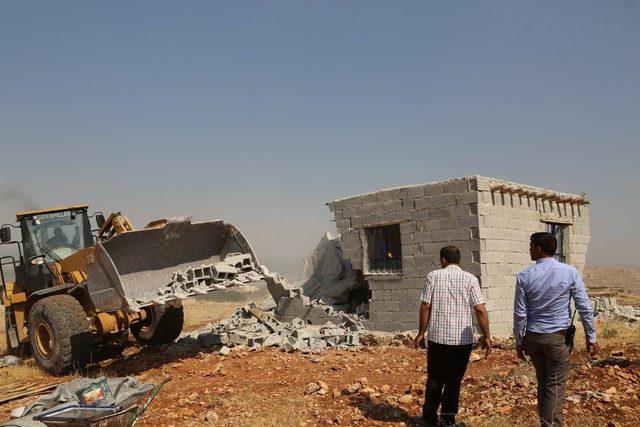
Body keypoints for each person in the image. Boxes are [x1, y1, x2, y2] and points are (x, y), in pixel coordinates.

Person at [514, 232, 599, 427]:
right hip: (556, 339)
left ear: (538, 249)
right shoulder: (569, 272)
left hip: (533, 339)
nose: (529, 249)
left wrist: (519, 341)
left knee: (544, 383)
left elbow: (520, 314)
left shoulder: (524, 276)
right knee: (555, 385)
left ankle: (546, 422)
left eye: (530, 246)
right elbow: (584, 306)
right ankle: (551, 424)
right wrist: (591, 336)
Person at [412, 246, 492, 427]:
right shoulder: (470, 279)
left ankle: (429, 418)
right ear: (458, 260)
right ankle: (448, 421)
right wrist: (486, 335)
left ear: (443, 260)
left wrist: (420, 333)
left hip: (437, 339)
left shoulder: (433, 276)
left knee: (434, 379)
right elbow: (479, 308)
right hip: (461, 342)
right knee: (453, 382)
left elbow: (426, 306)